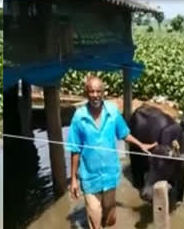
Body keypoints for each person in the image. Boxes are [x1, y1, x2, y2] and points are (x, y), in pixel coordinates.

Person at [66, 76, 157, 229]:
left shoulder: (113, 112)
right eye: (91, 91)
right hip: (90, 177)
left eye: (98, 91)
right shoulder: (79, 117)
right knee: (95, 218)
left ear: (103, 93)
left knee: (110, 219)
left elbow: (123, 133)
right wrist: (74, 179)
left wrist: (141, 145)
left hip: (110, 175)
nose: (95, 95)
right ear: (86, 93)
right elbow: (75, 149)